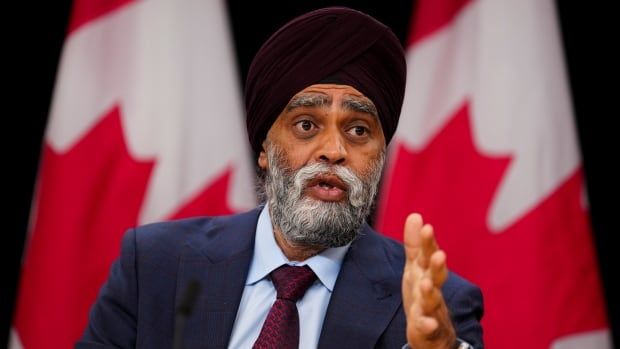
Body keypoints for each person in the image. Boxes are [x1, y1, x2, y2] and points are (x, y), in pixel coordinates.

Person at [77, 6, 483, 349]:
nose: (334, 150)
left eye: (358, 130)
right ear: (264, 149)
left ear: (380, 157)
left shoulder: (436, 306)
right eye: (307, 125)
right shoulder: (154, 265)